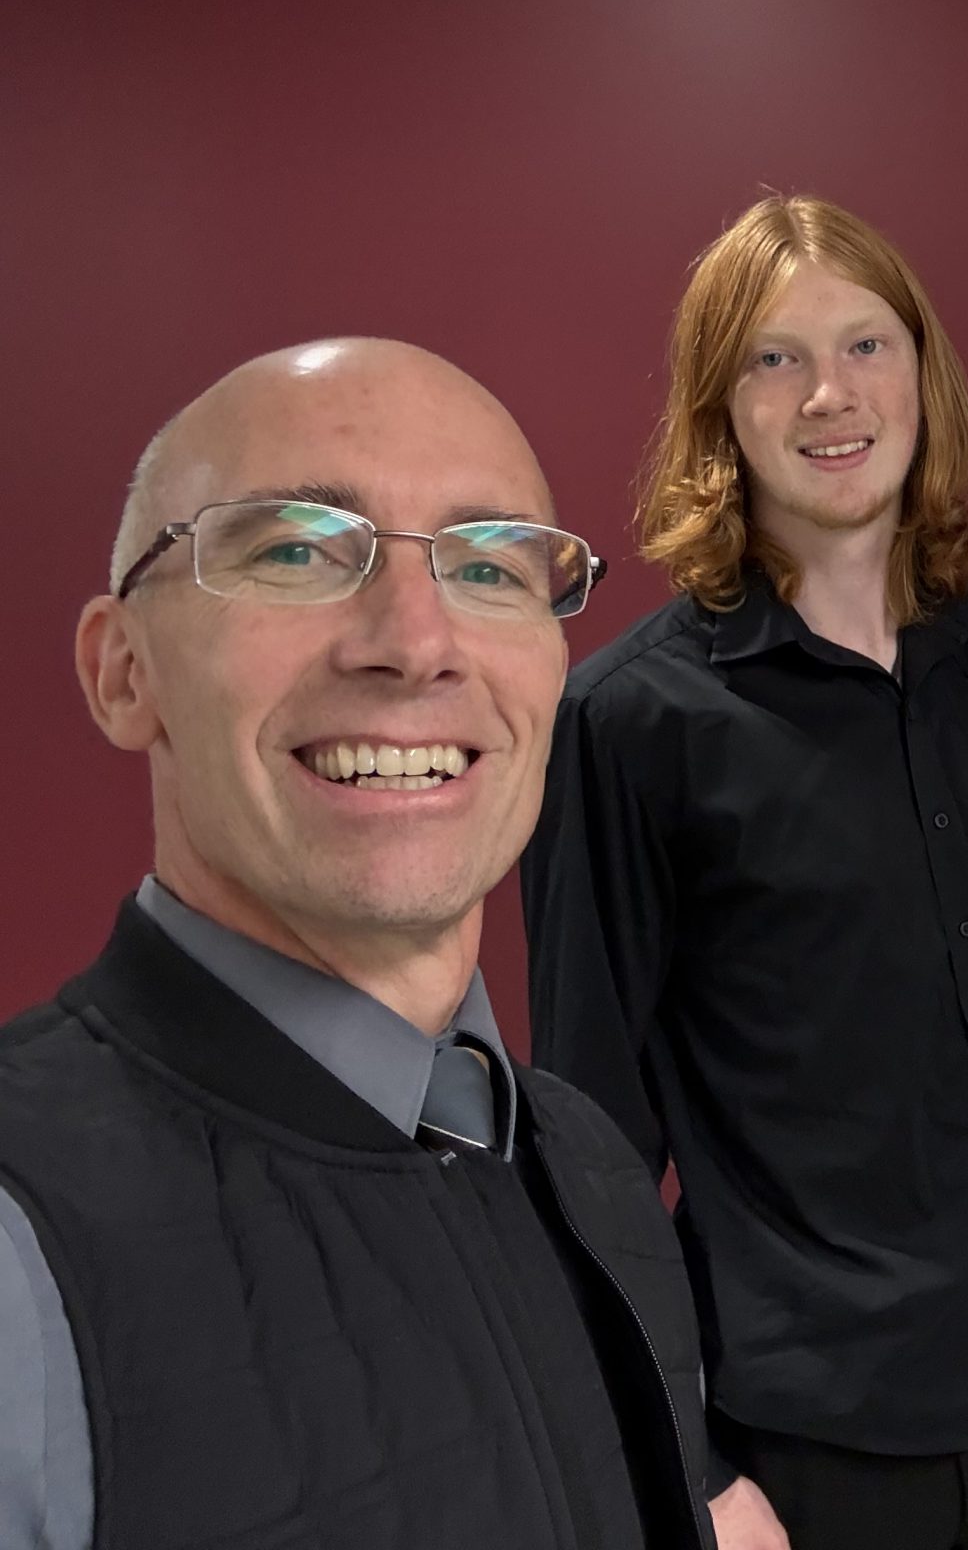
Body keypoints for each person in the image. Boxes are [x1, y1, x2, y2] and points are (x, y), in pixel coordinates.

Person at [0, 338, 712, 1550]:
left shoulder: (595, 1174)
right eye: (294, 550)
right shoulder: (21, 1246)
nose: (415, 640)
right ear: (123, 673)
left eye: (489, 567)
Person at [522, 196, 968, 1550]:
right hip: (817, 1444)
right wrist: (690, 1464)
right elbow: (592, 1137)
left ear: (923, 374)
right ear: (719, 410)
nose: (829, 394)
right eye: (774, 359)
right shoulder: (630, 726)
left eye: (865, 345)